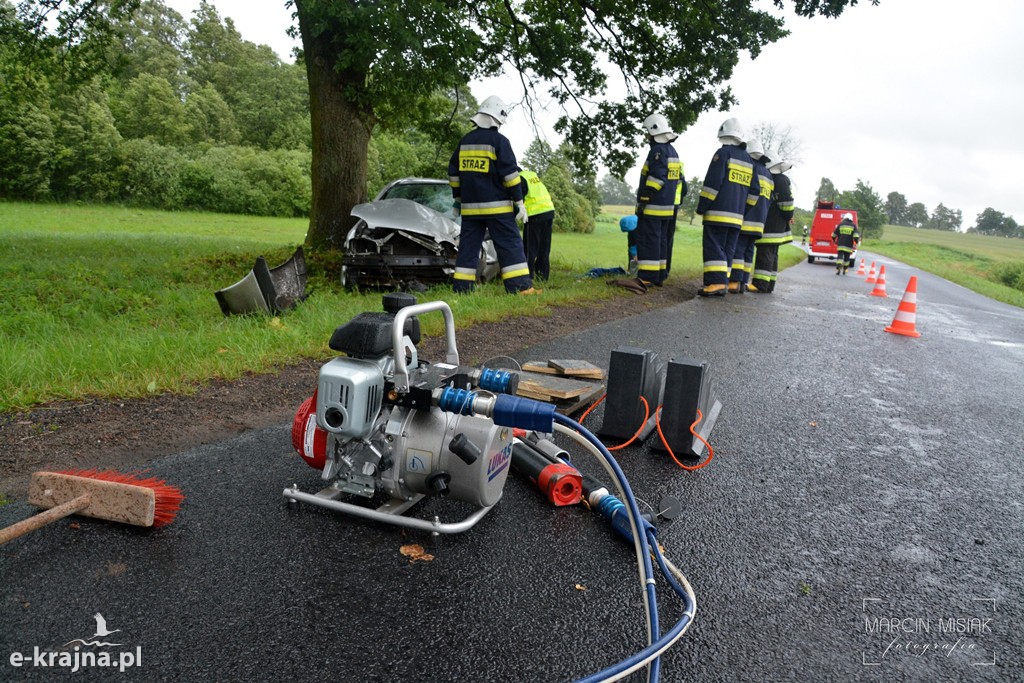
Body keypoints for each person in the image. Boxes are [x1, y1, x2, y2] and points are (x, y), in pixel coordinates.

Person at [447, 95, 536, 295]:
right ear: (497, 118)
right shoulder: (500, 141)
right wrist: (520, 203)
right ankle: (520, 288)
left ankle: (462, 289)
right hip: (498, 208)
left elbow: (453, 174)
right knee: (510, 244)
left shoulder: (465, 142)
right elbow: (511, 177)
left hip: (470, 209)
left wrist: (458, 200)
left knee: (468, 248)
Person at [695, 117, 756, 297]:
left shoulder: (723, 154)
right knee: (728, 249)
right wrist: (743, 210)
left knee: (714, 246)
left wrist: (702, 206)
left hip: (717, 214)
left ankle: (715, 283)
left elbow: (712, 184)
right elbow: (755, 191)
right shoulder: (748, 159)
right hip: (737, 218)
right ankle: (725, 281)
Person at [629, 112, 681, 290]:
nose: (646, 136)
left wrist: (644, 198)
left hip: (654, 206)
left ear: (654, 132)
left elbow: (657, 178)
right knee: (661, 242)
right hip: (667, 208)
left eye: (647, 133)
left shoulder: (657, 151)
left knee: (649, 241)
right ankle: (658, 275)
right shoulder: (672, 151)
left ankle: (647, 277)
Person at [728, 138, 770, 294]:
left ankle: (734, 281)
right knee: (748, 251)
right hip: (760, 221)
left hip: (747, 217)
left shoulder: (750, 167)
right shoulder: (768, 174)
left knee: (738, 249)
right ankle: (743, 281)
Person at [750, 152, 794, 293]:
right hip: (777, 225)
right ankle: (769, 284)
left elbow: (786, 204)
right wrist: (788, 216)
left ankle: (760, 284)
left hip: (771, 224)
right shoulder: (781, 179)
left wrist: (788, 215)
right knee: (772, 255)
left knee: (765, 254)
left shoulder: (778, 180)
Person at [518, 169, 555, 280]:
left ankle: (527, 277)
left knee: (530, 249)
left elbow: (517, 197)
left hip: (535, 214)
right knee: (544, 247)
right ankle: (543, 276)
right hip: (548, 211)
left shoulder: (518, 179)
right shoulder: (531, 175)